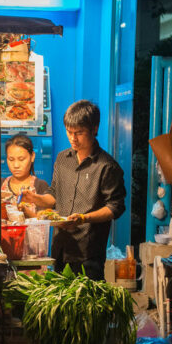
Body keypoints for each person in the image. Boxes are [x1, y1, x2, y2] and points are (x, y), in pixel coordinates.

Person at [50, 100, 126, 280]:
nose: (73, 138)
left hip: (88, 253)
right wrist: (35, 198)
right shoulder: (62, 159)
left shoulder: (107, 166)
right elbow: (54, 193)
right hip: (60, 247)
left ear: (94, 129)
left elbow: (115, 207)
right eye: (69, 132)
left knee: (85, 305)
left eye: (79, 133)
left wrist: (84, 218)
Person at [0, 134, 56, 217]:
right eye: (11, 159)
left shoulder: (40, 185)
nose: (16, 165)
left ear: (32, 156)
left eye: (21, 159)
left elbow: (44, 220)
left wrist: (25, 211)